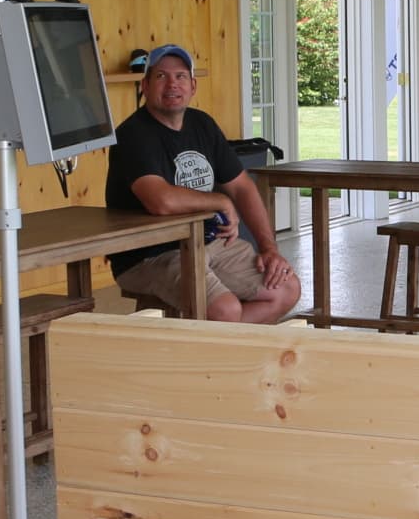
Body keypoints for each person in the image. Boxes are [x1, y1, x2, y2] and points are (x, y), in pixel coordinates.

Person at [104, 45, 301, 323]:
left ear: (193, 86)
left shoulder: (202, 124)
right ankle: (213, 345)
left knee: (286, 289)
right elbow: (161, 201)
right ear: (145, 86)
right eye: (161, 76)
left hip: (209, 242)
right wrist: (220, 201)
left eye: (181, 76)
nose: (172, 84)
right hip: (151, 254)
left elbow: (242, 187)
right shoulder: (133, 134)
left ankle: (212, 344)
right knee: (225, 310)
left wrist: (269, 248)